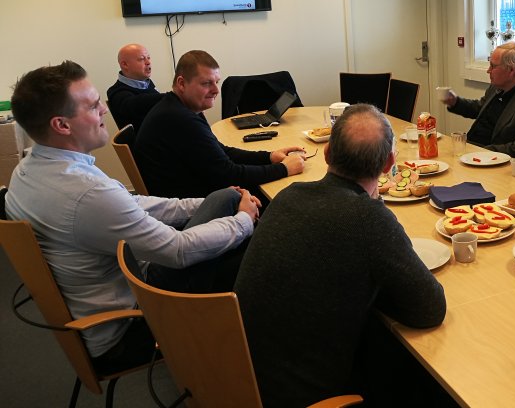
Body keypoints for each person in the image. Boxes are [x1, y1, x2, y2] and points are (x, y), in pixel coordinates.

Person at [4, 61, 260, 373]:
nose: (104, 112)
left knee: (226, 197)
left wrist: (211, 204)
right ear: (62, 125)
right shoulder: (84, 193)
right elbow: (177, 251)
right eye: (94, 105)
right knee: (259, 258)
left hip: (117, 295)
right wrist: (243, 221)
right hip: (131, 325)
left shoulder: (29, 170)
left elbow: (130, 203)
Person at [234, 104, 447, 407]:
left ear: (327, 154)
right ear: (389, 163)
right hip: (304, 396)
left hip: (243, 378)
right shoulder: (366, 218)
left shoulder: (288, 195)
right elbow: (429, 309)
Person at [135, 50, 305, 199]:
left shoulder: (179, 108)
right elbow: (228, 174)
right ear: (181, 83)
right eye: (206, 83)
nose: (216, 90)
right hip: (193, 207)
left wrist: (269, 156)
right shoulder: (180, 119)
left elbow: (221, 151)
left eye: (216, 81)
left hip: (192, 191)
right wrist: (284, 169)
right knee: (287, 197)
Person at [440, 40, 515, 162]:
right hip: (473, 151)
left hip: (495, 161)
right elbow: (479, 108)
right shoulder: (497, 87)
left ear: (511, 70)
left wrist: (481, 152)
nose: (488, 70)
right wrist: (455, 102)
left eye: (493, 66)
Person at [106, 43, 164, 132]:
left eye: (148, 58)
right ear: (125, 65)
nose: (148, 62)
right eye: (141, 59)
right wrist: (171, 96)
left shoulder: (147, 83)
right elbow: (135, 105)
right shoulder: (116, 92)